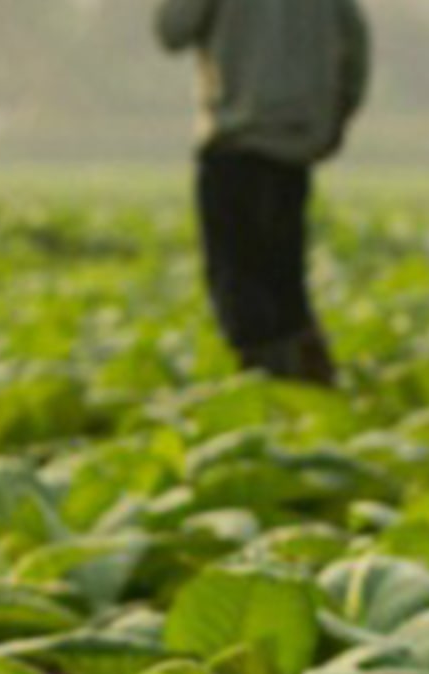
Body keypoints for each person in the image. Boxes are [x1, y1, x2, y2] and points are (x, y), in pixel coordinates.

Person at [155, 0, 371, 385]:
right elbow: (354, 46)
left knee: (238, 281)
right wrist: (335, 118)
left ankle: (270, 385)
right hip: (296, 143)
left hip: (236, 140)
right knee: (283, 279)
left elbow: (172, 30)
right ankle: (308, 385)